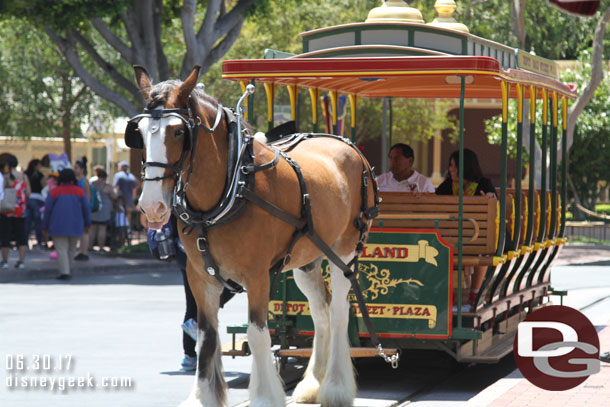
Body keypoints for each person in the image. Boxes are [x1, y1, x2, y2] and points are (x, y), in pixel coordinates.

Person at [435, 149, 497, 309]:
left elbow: (495, 206)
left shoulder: (483, 184)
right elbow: (434, 203)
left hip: (478, 235)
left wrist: (489, 201)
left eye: (454, 166)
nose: (451, 169)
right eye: (450, 165)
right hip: (451, 235)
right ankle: (451, 294)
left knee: (483, 247)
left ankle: (474, 295)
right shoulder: (447, 185)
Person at [145, 214, 198, 371]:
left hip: (181, 252)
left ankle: (189, 356)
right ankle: (197, 322)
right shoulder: (187, 195)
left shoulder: (171, 198)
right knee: (231, 285)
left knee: (192, 305)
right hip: (195, 252)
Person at [42, 168, 91, 280]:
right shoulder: (79, 192)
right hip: (76, 225)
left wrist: (45, 225)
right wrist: (88, 224)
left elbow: (47, 210)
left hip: (57, 225)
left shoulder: (54, 192)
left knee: (61, 249)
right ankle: (67, 269)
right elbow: (86, 209)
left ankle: (65, 271)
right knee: (71, 249)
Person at [1, 155, 31, 269]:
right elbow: (28, 193)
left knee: (5, 236)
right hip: (21, 210)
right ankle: (21, 261)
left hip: (7, 210)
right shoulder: (24, 176)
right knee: (21, 237)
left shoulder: (6, 177)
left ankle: (5, 261)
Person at [89, 168, 116, 252]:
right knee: (102, 228)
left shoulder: (92, 184)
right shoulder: (106, 185)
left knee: (92, 229)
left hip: (93, 209)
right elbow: (114, 196)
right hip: (104, 210)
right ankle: (101, 247)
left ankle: (89, 247)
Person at [24, 159, 47, 250]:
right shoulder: (40, 175)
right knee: (38, 223)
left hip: (28, 199)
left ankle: (24, 243)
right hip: (38, 199)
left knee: (27, 223)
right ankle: (39, 243)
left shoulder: (25, 174)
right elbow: (44, 186)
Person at [74, 157, 92, 261]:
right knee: (81, 231)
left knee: (85, 231)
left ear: (82, 170)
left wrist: (86, 208)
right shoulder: (79, 180)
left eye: (76, 168)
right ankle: (81, 251)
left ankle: (84, 252)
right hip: (79, 208)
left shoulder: (84, 181)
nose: (75, 170)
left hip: (84, 209)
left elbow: (88, 196)